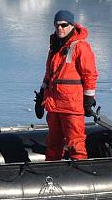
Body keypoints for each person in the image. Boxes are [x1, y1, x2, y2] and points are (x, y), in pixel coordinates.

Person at [35, 10, 99, 160]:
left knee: (75, 143)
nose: (60, 29)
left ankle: (79, 173)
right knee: (53, 142)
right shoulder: (55, 47)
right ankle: (52, 170)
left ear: (72, 25)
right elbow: (49, 75)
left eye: (64, 25)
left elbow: (90, 74)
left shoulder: (80, 47)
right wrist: (41, 96)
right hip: (53, 104)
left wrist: (88, 99)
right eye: (57, 26)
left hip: (72, 105)